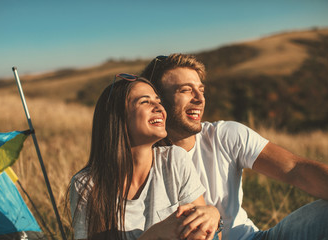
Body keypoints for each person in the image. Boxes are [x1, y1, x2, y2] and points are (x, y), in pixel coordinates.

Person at [140, 54, 328, 240]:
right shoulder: (140, 160)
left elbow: (294, 168)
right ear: (157, 100)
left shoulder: (225, 135)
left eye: (201, 90)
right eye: (186, 90)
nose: (200, 98)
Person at [69, 74, 222, 240]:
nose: (159, 108)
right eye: (145, 101)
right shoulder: (86, 185)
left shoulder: (174, 160)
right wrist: (153, 234)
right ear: (119, 117)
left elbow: (206, 232)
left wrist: (212, 214)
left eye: (158, 101)